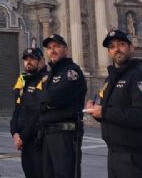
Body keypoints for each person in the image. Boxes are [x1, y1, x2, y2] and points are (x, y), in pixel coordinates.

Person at [84, 29, 142, 178]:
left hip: (135, 156)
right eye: (112, 46)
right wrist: (96, 112)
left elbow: (141, 116)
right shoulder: (110, 80)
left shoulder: (139, 78)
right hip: (114, 154)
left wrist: (104, 112)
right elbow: (111, 112)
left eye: (121, 44)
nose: (116, 49)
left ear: (131, 48)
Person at [39, 34, 87, 178]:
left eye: (56, 46)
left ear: (66, 50)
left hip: (65, 135)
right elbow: (41, 100)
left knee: (64, 174)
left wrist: (44, 99)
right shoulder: (49, 75)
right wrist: (44, 100)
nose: (52, 50)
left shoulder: (72, 72)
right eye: (49, 48)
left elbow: (53, 98)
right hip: (48, 134)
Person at [10, 47, 46, 178]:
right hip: (24, 141)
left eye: (32, 59)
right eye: (26, 59)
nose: (28, 62)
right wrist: (14, 132)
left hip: (38, 140)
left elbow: (38, 113)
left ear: (41, 61)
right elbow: (17, 109)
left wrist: (22, 137)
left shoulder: (44, 81)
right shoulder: (23, 81)